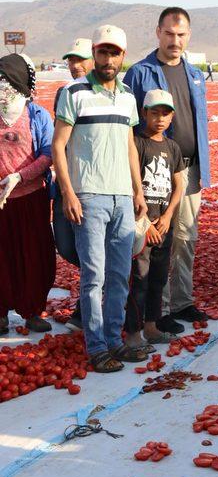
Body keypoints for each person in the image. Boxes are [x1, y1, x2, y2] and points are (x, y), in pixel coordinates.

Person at [52, 25, 146, 372]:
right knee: (94, 276)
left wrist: (137, 190)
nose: (108, 59)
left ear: (123, 56)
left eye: (115, 53)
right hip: (88, 196)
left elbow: (129, 146)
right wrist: (68, 193)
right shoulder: (73, 92)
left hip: (122, 196)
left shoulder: (127, 97)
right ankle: (96, 347)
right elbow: (58, 146)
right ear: (94, 54)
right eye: (103, 52)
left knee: (120, 275)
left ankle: (115, 340)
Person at [124, 7, 211, 332]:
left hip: (188, 170)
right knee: (152, 242)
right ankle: (153, 313)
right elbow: (130, 127)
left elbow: (197, 121)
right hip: (152, 172)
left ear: (188, 35)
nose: (175, 40)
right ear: (158, 32)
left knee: (185, 238)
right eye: (170, 33)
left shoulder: (195, 74)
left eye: (181, 34)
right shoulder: (140, 73)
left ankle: (181, 302)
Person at [124, 90, 184, 352]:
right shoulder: (137, 143)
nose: (160, 118)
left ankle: (151, 325)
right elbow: (129, 182)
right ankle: (133, 332)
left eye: (165, 113)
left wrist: (169, 215)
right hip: (141, 223)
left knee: (158, 278)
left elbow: (179, 183)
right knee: (140, 278)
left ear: (172, 116)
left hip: (164, 222)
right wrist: (146, 222)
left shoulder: (172, 147)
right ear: (144, 114)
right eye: (155, 113)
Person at [0, 53, 55, 336]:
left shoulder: (36, 115)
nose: (2, 88)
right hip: (0, 204)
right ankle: (0, 313)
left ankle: (33, 311)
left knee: (34, 255)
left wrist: (19, 176)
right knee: (2, 258)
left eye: (7, 81)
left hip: (31, 198)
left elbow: (48, 155)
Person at [52, 37, 94, 331]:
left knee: (91, 251)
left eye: (80, 59)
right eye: (71, 60)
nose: (75, 65)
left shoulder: (105, 93)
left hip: (92, 185)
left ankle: (87, 310)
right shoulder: (63, 93)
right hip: (66, 184)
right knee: (67, 247)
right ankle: (95, 290)